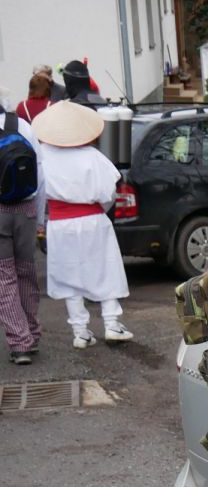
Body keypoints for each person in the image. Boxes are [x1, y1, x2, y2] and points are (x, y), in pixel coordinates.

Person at [30, 101, 131, 348]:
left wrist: (41, 221)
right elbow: (108, 194)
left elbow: (38, 193)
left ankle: (80, 331)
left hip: (60, 222)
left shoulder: (42, 156)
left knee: (69, 274)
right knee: (104, 268)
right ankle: (112, 323)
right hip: (93, 219)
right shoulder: (93, 156)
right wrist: (98, 210)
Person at [0, 101, 44, 364]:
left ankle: (20, 343)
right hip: (26, 209)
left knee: (4, 278)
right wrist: (40, 217)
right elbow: (40, 174)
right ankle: (33, 334)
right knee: (27, 272)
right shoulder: (23, 126)